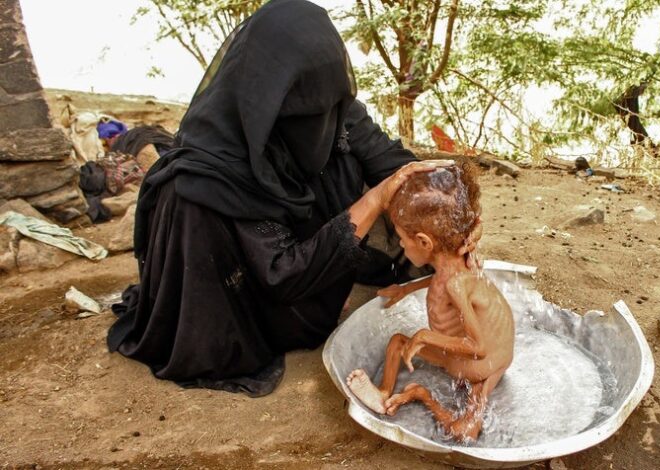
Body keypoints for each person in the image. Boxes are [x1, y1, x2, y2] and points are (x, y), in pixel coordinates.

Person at [106, 0, 474, 397]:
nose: (324, 117)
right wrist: (373, 201)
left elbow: (394, 164)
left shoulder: (333, 106)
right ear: (274, 95)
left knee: (357, 163)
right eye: (308, 111)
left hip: (298, 245)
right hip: (247, 287)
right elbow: (281, 274)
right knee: (356, 194)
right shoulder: (211, 175)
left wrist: (458, 215)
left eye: (331, 104)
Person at [345, 163, 514, 442]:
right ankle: (384, 393)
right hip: (459, 356)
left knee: (463, 432)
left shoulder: (458, 283)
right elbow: (436, 282)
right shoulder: (452, 269)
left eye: (401, 240)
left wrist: (425, 336)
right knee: (398, 342)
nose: (400, 246)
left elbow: (479, 348)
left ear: (424, 242)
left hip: (482, 365)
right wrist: (405, 289)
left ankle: (422, 396)